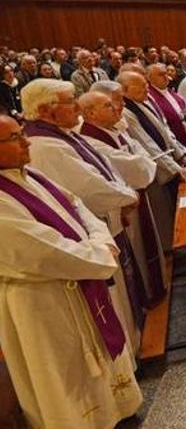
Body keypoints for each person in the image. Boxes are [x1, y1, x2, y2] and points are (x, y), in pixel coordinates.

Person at [0, 113, 143, 428]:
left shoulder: (29, 175)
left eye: (21, 132)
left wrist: (100, 244)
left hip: (78, 281)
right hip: (43, 300)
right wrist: (100, 255)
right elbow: (43, 252)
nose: (26, 142)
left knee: (96, 363)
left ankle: (114, 413)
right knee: (63, 373)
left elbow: (78, 206)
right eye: (13, 138)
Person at [20, 79, 145, 356]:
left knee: (124, 296)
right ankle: (129, 357)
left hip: (106, 222)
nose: (78, 105)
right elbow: (89, 187)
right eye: (70, 101)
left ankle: (133, 348)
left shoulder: (63, 134)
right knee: (114, 301)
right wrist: (128, 197)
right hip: (95, 233)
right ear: (46, 110)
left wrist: (124, 194)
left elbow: (107, 170)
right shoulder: (46, 146)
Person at [80, 85, 167, 307]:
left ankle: (155, 289)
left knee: (148, 249)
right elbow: (137, 168)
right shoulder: (92, 140)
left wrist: (142, 161)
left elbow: (141, 156)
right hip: (127, 204)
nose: (119, 107)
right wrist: (142, 162)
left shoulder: (115, 129)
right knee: (138, 253)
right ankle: (147, 295)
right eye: (109, 104)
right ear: (91, 113)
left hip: (136, 196)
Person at [118, 71, 186, 252]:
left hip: (168, 159)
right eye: (140, 85)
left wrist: (180, 153)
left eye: (146, 84)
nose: (146, 88)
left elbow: (163, 130)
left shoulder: (144, 103)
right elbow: (148, 144)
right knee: (164, 213)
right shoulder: (127, 113)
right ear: (125, 90)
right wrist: (173, 167)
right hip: (157, 170)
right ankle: (171, 249)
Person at [146, 63, 186, 152]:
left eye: (166, 73)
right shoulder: (150, 98)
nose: (165, 77)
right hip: (173, 141)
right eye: (161, 74)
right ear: (149, 78)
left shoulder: (172, 92)